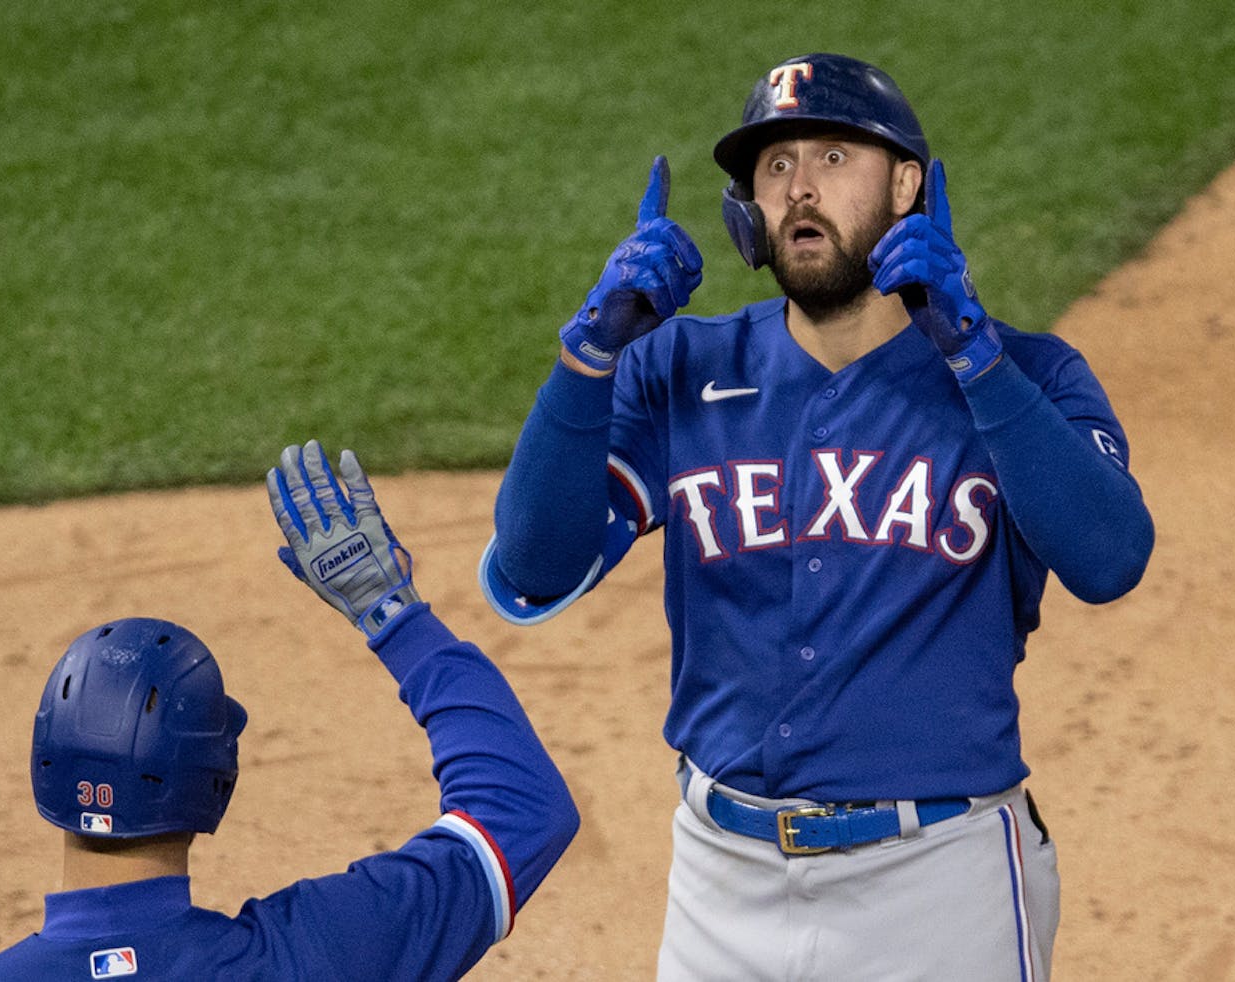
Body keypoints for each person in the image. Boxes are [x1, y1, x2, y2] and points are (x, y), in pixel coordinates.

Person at [480, 52, 1154, 980]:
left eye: (835, 158)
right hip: (722, 881)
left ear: (908, 184)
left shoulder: (1030, 375)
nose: (801, 188)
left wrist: (976, 358)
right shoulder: (678, 367)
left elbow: (1112, 557)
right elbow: (535, 563)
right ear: (748, 209)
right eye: (777, 165)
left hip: (939, 885)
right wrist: (589, 358)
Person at [0, 440, 579, 981]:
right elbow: (524, 811)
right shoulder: (309, 955)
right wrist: (391, 611)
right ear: (213, 782)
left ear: (44, 767)